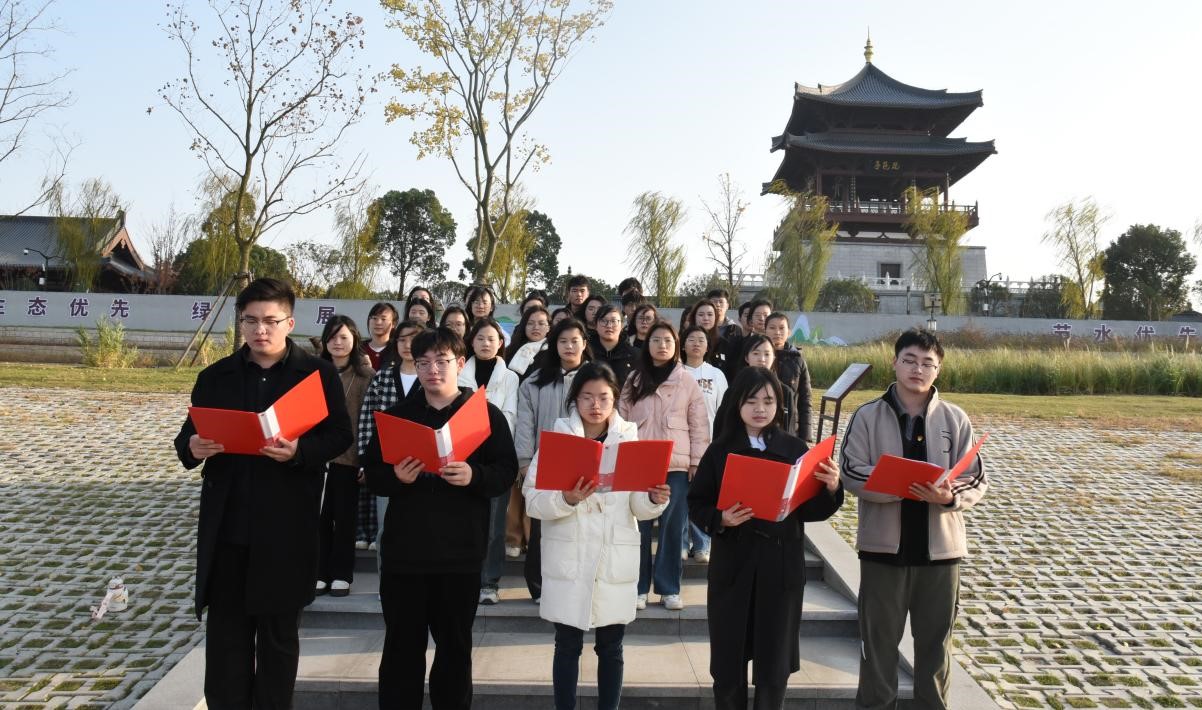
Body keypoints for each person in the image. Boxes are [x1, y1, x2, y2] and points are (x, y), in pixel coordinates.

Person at [173, 277, 352, 708]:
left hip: (286, 528)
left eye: (271, 320)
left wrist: (299, 451)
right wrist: (193, 446)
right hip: (229, 527)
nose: (260, 330)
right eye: (250, 320)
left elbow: (340, 436)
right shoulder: (216, 376)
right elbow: (187, 438)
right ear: (240, 323)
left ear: (290, 322)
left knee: (278, 640)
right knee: (226, 642)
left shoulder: (317, 374)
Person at [361, 327, 518, 710]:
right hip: (405, 555)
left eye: (442, 361)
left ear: (460, 363)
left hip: (460, 555)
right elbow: (373, 474)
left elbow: (505, 471)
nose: (433, 370)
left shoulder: (484, 416)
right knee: (401, 649)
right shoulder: (397, 417)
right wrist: (396, 477)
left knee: (454, 649)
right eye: (424, 362)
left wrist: (474, 475)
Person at [840, 328, 988, 710]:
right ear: (895, 362)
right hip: (883, 554)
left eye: (927, 363)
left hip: (941, 557)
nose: (917, 369)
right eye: (909, 360)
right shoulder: (868, 416)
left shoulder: (955, 418)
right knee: (878, 649)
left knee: (936, 651)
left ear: (938, 370)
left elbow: (975, 477)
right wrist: (899, 487)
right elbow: (851, 470)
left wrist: (948, 496)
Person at [687, 367, 843, 710]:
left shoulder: (794, 449)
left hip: (780, 567)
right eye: (752, 400)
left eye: (769, 401)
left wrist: (831, 487)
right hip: (734, 566)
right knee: (728, 664)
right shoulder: (720, 450)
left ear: (779, 405)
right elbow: (696, 503)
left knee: (774, 666)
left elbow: (811, 509)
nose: (760, 408)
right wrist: (721, 518)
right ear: (737, 404)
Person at [524, 362, 670, 710]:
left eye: (604, 397)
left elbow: (638, 505)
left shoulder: (629, 439)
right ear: (575, 399)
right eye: (587, 396)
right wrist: (566, 499)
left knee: (612, 647)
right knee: (566, 645)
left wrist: (653, 499)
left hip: (611, 555)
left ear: (615, 398)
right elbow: (532, 500)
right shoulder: (558, 441)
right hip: (570, 555)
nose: (595, 405)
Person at [618, 320, 709, 611]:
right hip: (640, 463)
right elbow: (621, 419)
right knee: (639, 528)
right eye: (656, 340)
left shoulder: (686, 381)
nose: (662, 345)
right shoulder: (634, 379)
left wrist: (697, 462)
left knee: (672, 527)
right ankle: (638, 588)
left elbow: (699, 424)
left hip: (676, 466)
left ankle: (669, 588)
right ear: (647, 345)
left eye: (668, 341)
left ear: (676, 346)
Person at [514, 318, 593, 602]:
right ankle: (539, 586)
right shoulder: (535, 381)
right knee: (542, 526)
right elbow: (525, 423)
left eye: (575, 341)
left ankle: (577, 584)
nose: (569, 346)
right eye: (563, 341)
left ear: (584, 343)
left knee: (581, 526)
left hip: (586, 462)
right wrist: (525, 461)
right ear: (554, 345)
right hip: (545, 462)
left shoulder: (595, 378)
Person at [457, 317, 521, 606]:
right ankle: (465, 579)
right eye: (480, 338)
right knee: (464, 521)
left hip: (496, 456)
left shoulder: (510, 378)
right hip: (463, 456)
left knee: (495, 526)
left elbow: (510, 417)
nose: (485, 343)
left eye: (491, 339)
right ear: (471, 342)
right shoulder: (458, 373)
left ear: (501, 343)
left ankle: (489, 582)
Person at [356, 320, 426, 560]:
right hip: (387, 463)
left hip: (423, 464)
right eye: (402, 340)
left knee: (419, 527)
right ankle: (386, 578)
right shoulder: (383, 378)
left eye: (413, 340)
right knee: (386, 527)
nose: (407, 345)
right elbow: (368, 419)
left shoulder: (431, 377)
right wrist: (365, 460)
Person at [316, 315, 375, 598]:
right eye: (332, 337)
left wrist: (366, 458)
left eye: (344, 337)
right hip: (316, 456)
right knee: (319, 517)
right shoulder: (313, 372)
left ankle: (341, 574)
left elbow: (372, 421)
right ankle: (319, 572)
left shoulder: (366, 376)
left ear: (354, 341)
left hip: (349, 457)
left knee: (344, 518)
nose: (337, 343)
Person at [680, 324, 728, 564]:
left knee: (703, 494)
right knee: (681, 495)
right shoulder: (676, 372)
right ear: (683, 344)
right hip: (680, 443)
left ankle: (701, 544)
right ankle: (681, 543)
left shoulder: (716, 375)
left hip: (708, 444)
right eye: (691, 339)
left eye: (701, 339)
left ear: (708, 346)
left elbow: (724, 411)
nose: (696, 343)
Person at [764, 312, 813, 443]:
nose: (777, 332)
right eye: (772, 328)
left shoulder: (798, 361)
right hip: (762, 425)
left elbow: (805, 399)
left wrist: (805, 435)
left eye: (781, 328)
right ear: (765, 330)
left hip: (790, 427)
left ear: (789, 332)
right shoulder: (758, 357)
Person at [588, 304, 635, 387]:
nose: (609, 325)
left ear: (622, 326)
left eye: (614, 321)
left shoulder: (635, 355)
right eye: (603, 321)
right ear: (595, 325)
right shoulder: (586, 353)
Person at [507, 305, 551, 378]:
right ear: (524, 326)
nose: (536, 327)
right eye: (530, 323)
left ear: (548, 328)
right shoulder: (510, 350)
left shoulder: (553, 352)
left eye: (541, 323)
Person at [362, 302, 399, 371]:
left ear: (393, 323)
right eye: (374, 318)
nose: (378, 322)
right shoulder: (359, 349)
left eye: (383, 319)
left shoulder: (397, 350)